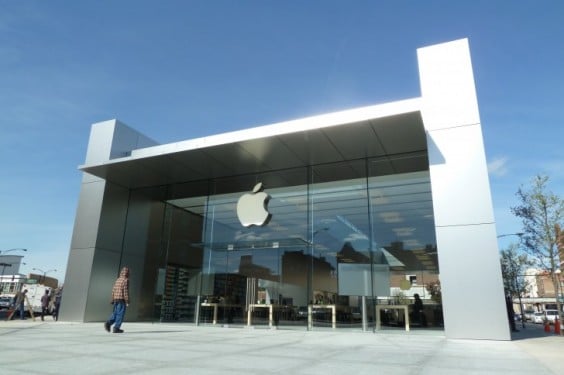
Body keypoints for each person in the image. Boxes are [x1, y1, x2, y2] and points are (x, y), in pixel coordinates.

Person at [104, 267, 130, 333]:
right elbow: (125, 291)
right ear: (127, 273)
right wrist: (127, 301)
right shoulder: (126, 280)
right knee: (120, 314)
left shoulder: (118, 280)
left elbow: (113, 290)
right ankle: (116, 328)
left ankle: (108, 323)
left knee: (115, 313)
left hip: (116, 299)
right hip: (122, 300)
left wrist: (112, 299)